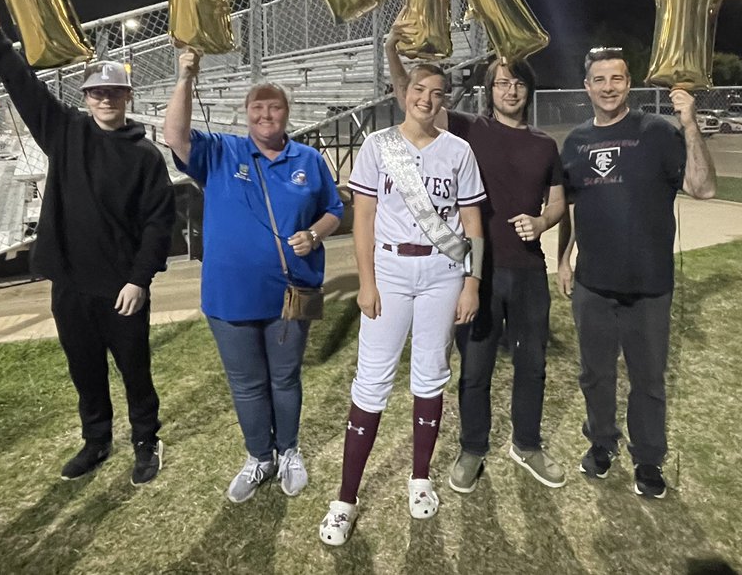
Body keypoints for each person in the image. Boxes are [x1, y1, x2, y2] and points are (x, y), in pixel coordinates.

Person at [0, 0, 174, 486]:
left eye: (114, 93)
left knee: (135, 373)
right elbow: (23, 87)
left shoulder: (145, 156)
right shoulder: (66, 132)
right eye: (96, 93)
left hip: (122, 290)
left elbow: (157, 225)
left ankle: (146, 441)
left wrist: (139, 280)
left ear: (128, 97)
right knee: (85, 372)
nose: (105, 99)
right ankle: (96, 440)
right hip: (72, 286)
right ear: (85, 97)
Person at [385, 29, 567, 493]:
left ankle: (526, 444)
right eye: (502, 82)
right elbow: (414, 95)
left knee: (533, 365)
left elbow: (558, 203)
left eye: (518, 84)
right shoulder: (468, 129)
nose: (510, 90)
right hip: (478, 274)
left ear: (529, 91)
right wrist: (392, 53)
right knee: (477, 367)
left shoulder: (545, 145)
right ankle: (473, 448)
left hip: (528, 271)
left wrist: (543, 223)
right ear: (491, 91)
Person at [163, 47, 342, 503]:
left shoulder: (309, 159)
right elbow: (176, 136)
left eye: (274, 106)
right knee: (246, 383)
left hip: (291, 291)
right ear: (246, 114)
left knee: (285, 378)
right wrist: (185, 77)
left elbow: (335, 210)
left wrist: (315, 235)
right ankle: (259, 455)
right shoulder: (223, 152)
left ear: (287, 113)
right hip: (230, 296)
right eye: (257, 107)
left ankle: (289, 450)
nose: (266, 114)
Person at [319, 63, 486, 547]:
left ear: (445, 100)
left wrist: (472, 284)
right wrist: (366, 283)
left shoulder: (459, 150)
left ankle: (419, 478)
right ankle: (346, 498)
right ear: (404, 93)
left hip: (443, 272)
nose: (427, 100)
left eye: (437, 93)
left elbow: (472, 223)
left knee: (431, 374)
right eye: (419, 90)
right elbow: (364, 218)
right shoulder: (378, 145)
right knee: (372, 381)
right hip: (389, 271)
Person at [556, 47, 716, 499]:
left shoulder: (658, 133)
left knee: (647, 380)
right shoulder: (576, 141)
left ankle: (648, 459)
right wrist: (564, 258)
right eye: (599, 79)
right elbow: (570, 205)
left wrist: (689, 124)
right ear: (587, 87)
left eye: (617, 78)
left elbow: (703, 188)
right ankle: (601, 445)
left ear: (629, 83)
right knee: (595, 374)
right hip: (593, 284)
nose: (608, 87)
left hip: (649, 285)